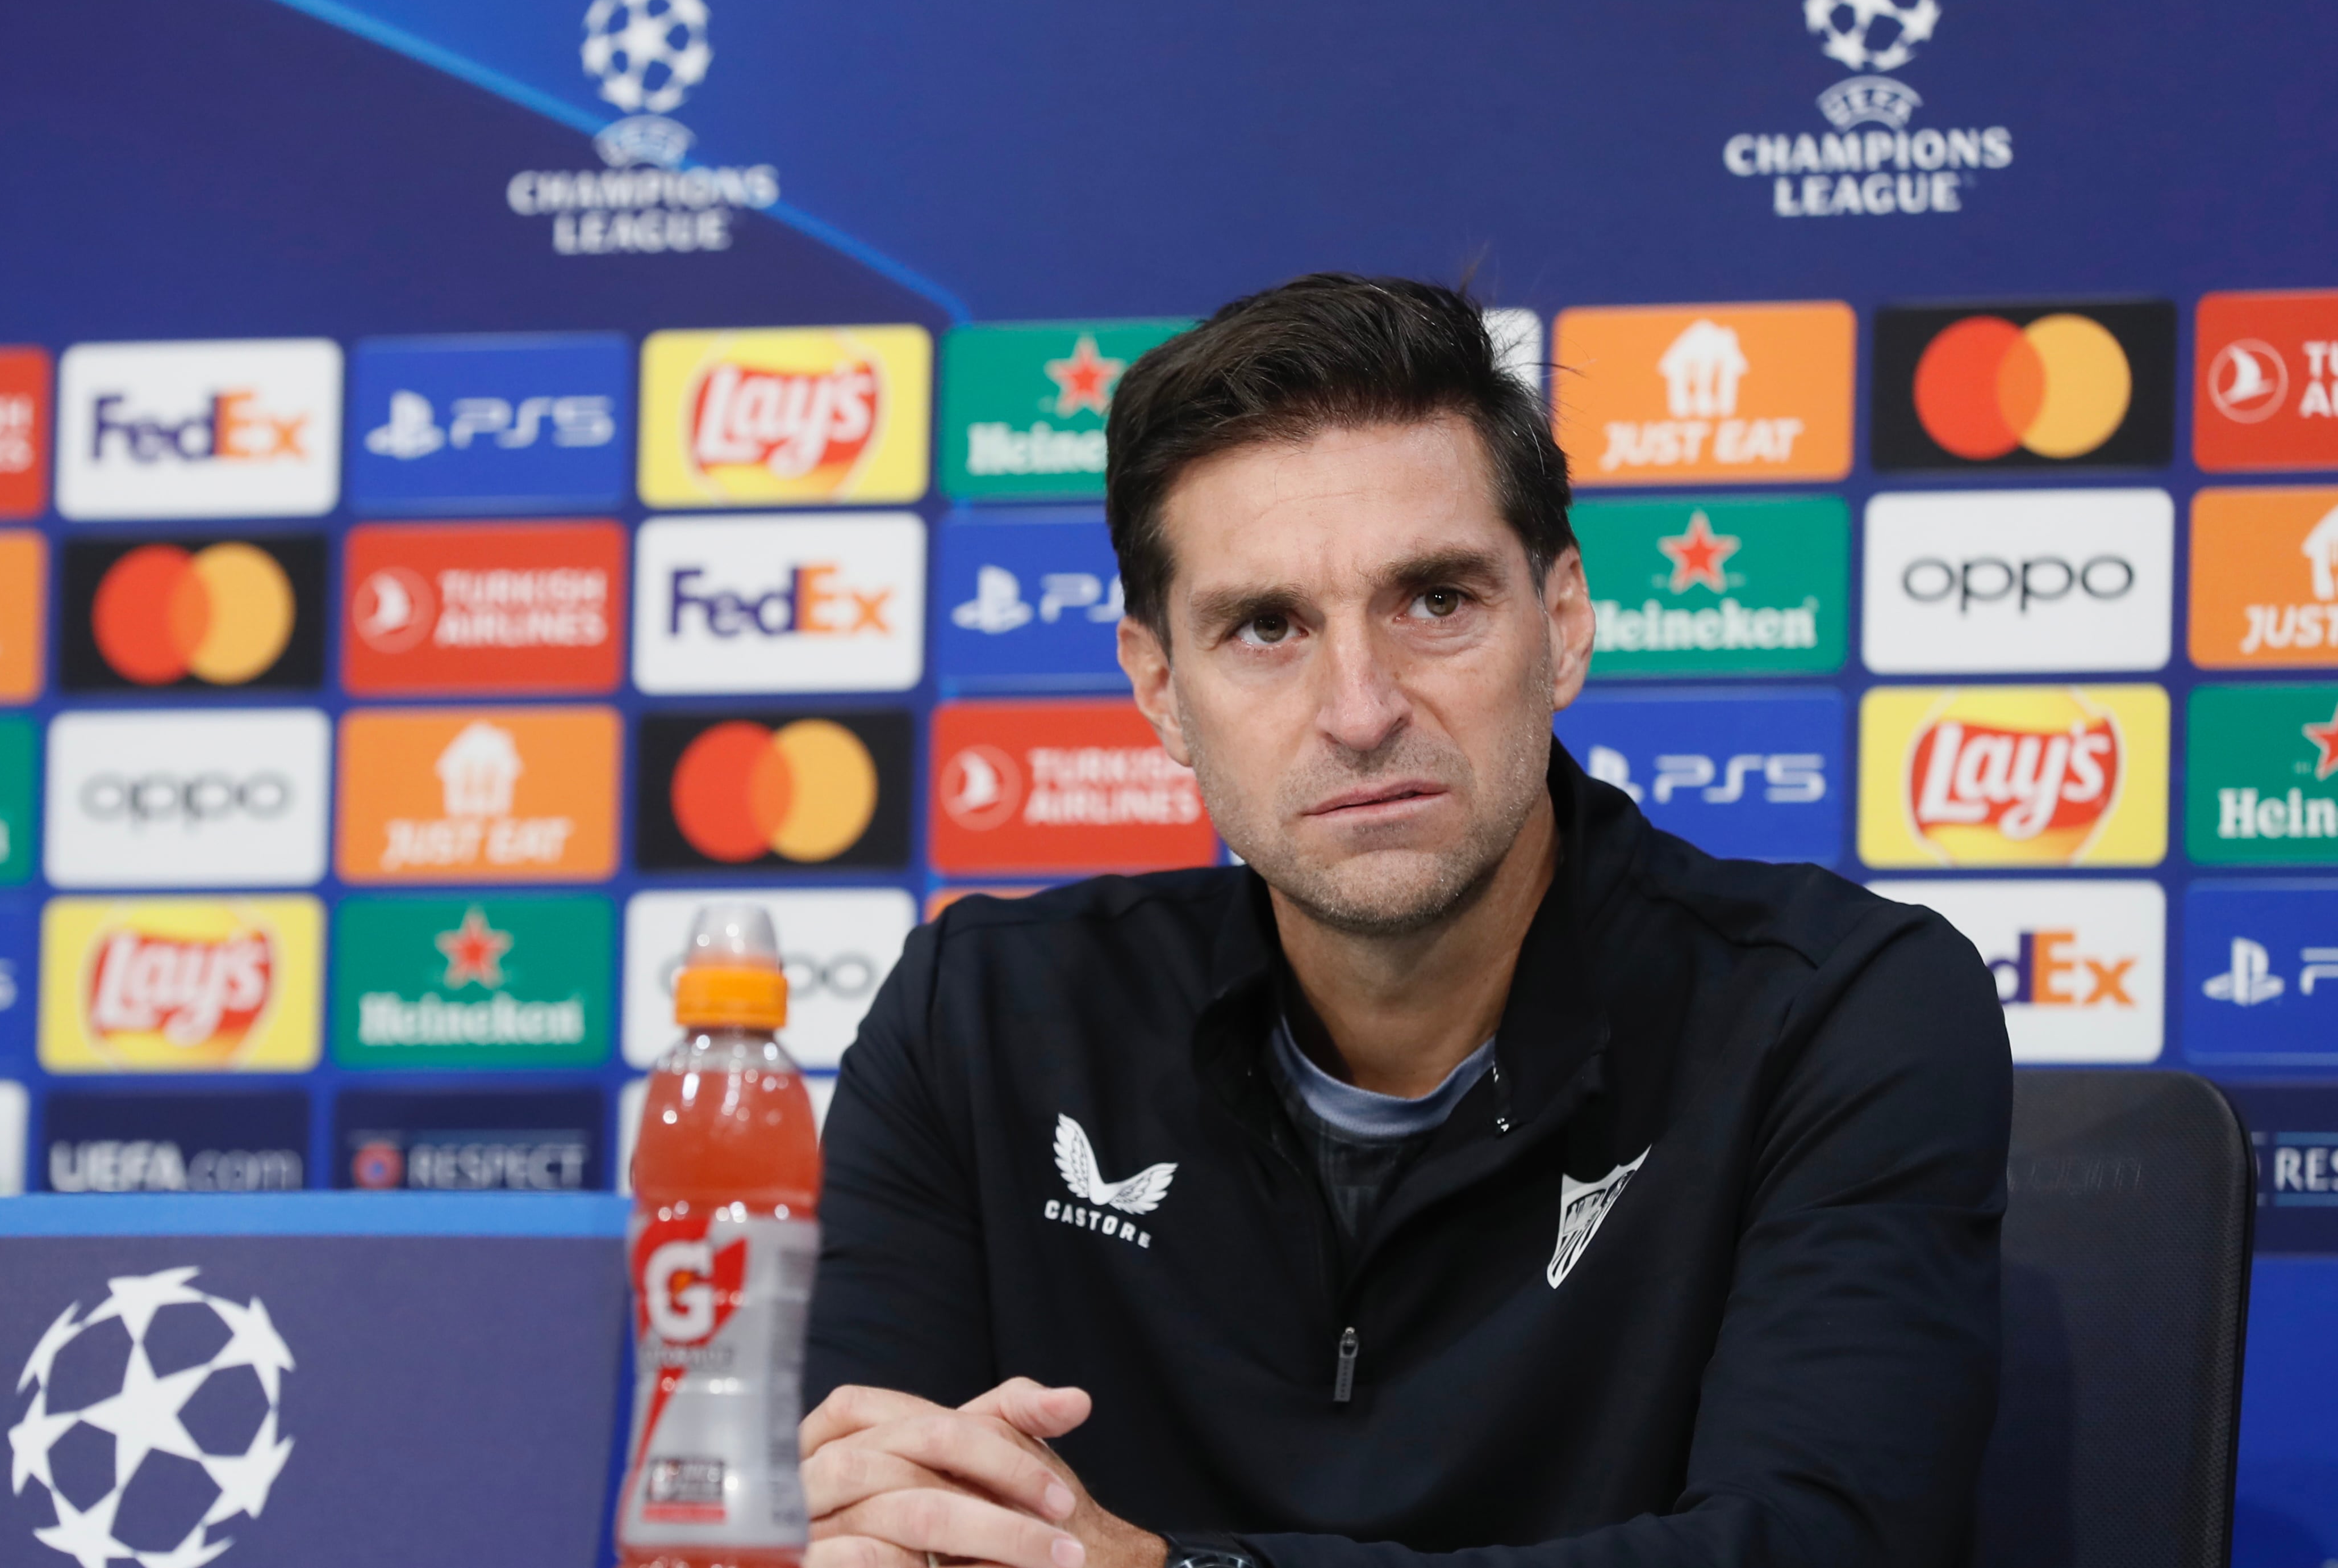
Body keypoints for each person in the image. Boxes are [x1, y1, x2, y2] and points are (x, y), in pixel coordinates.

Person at [800, 274, 2010, 1568]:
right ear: (1158, 690)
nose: (1361, 708)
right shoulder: (980, 1023)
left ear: (1563, 624)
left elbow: (1814, 1549)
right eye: (1265, 627)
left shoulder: (1833, 1010)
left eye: (1434, 600)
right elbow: (866, 1517)